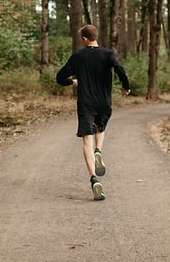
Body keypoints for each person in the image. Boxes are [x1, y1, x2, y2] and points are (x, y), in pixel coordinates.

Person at [56, 24, 130, 201]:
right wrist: (126, 86)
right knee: (100, 128)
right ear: (96, 37)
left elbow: (60, 77)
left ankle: (94, 180)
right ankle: (99, 151)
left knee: (86, 140)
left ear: (84, 39)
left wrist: (72, 82)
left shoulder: (78, 57)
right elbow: (120, 69)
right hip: (104, 102)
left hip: (86, 104)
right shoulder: (108, 54)